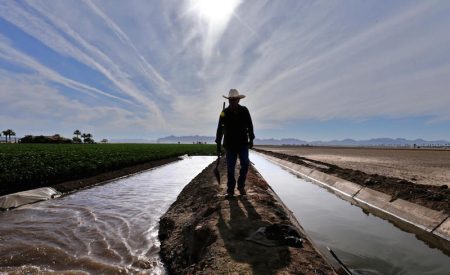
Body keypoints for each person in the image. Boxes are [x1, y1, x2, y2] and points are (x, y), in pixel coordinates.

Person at [215, 89, 255, 196]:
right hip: (230, 144)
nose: (232, 102)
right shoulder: (224, 113)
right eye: (230, 100)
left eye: (234, 100)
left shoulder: (244, 111)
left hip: (242, 143)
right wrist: (218, 144)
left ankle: (241, 186)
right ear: (228, 101)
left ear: (238, 100)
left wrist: (251, 139)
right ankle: (230, 189)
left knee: (245, 164)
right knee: (230, 168)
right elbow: (220, 129)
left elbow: (250, 125)